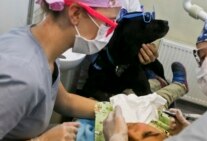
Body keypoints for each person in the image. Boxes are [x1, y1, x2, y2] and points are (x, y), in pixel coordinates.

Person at [103, 9, 207, 141]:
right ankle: (177, 84)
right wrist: (195, 132)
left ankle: (178, 85)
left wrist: (117, 137)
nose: (201, 68)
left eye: (203, 56)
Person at [0, 0, 124, 140]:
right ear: (75, 13)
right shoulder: (21, 77)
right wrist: (43, 140)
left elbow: (65, 101)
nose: (108, 34)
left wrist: (113, 110)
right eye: (108, 23)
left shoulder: (43, 46)